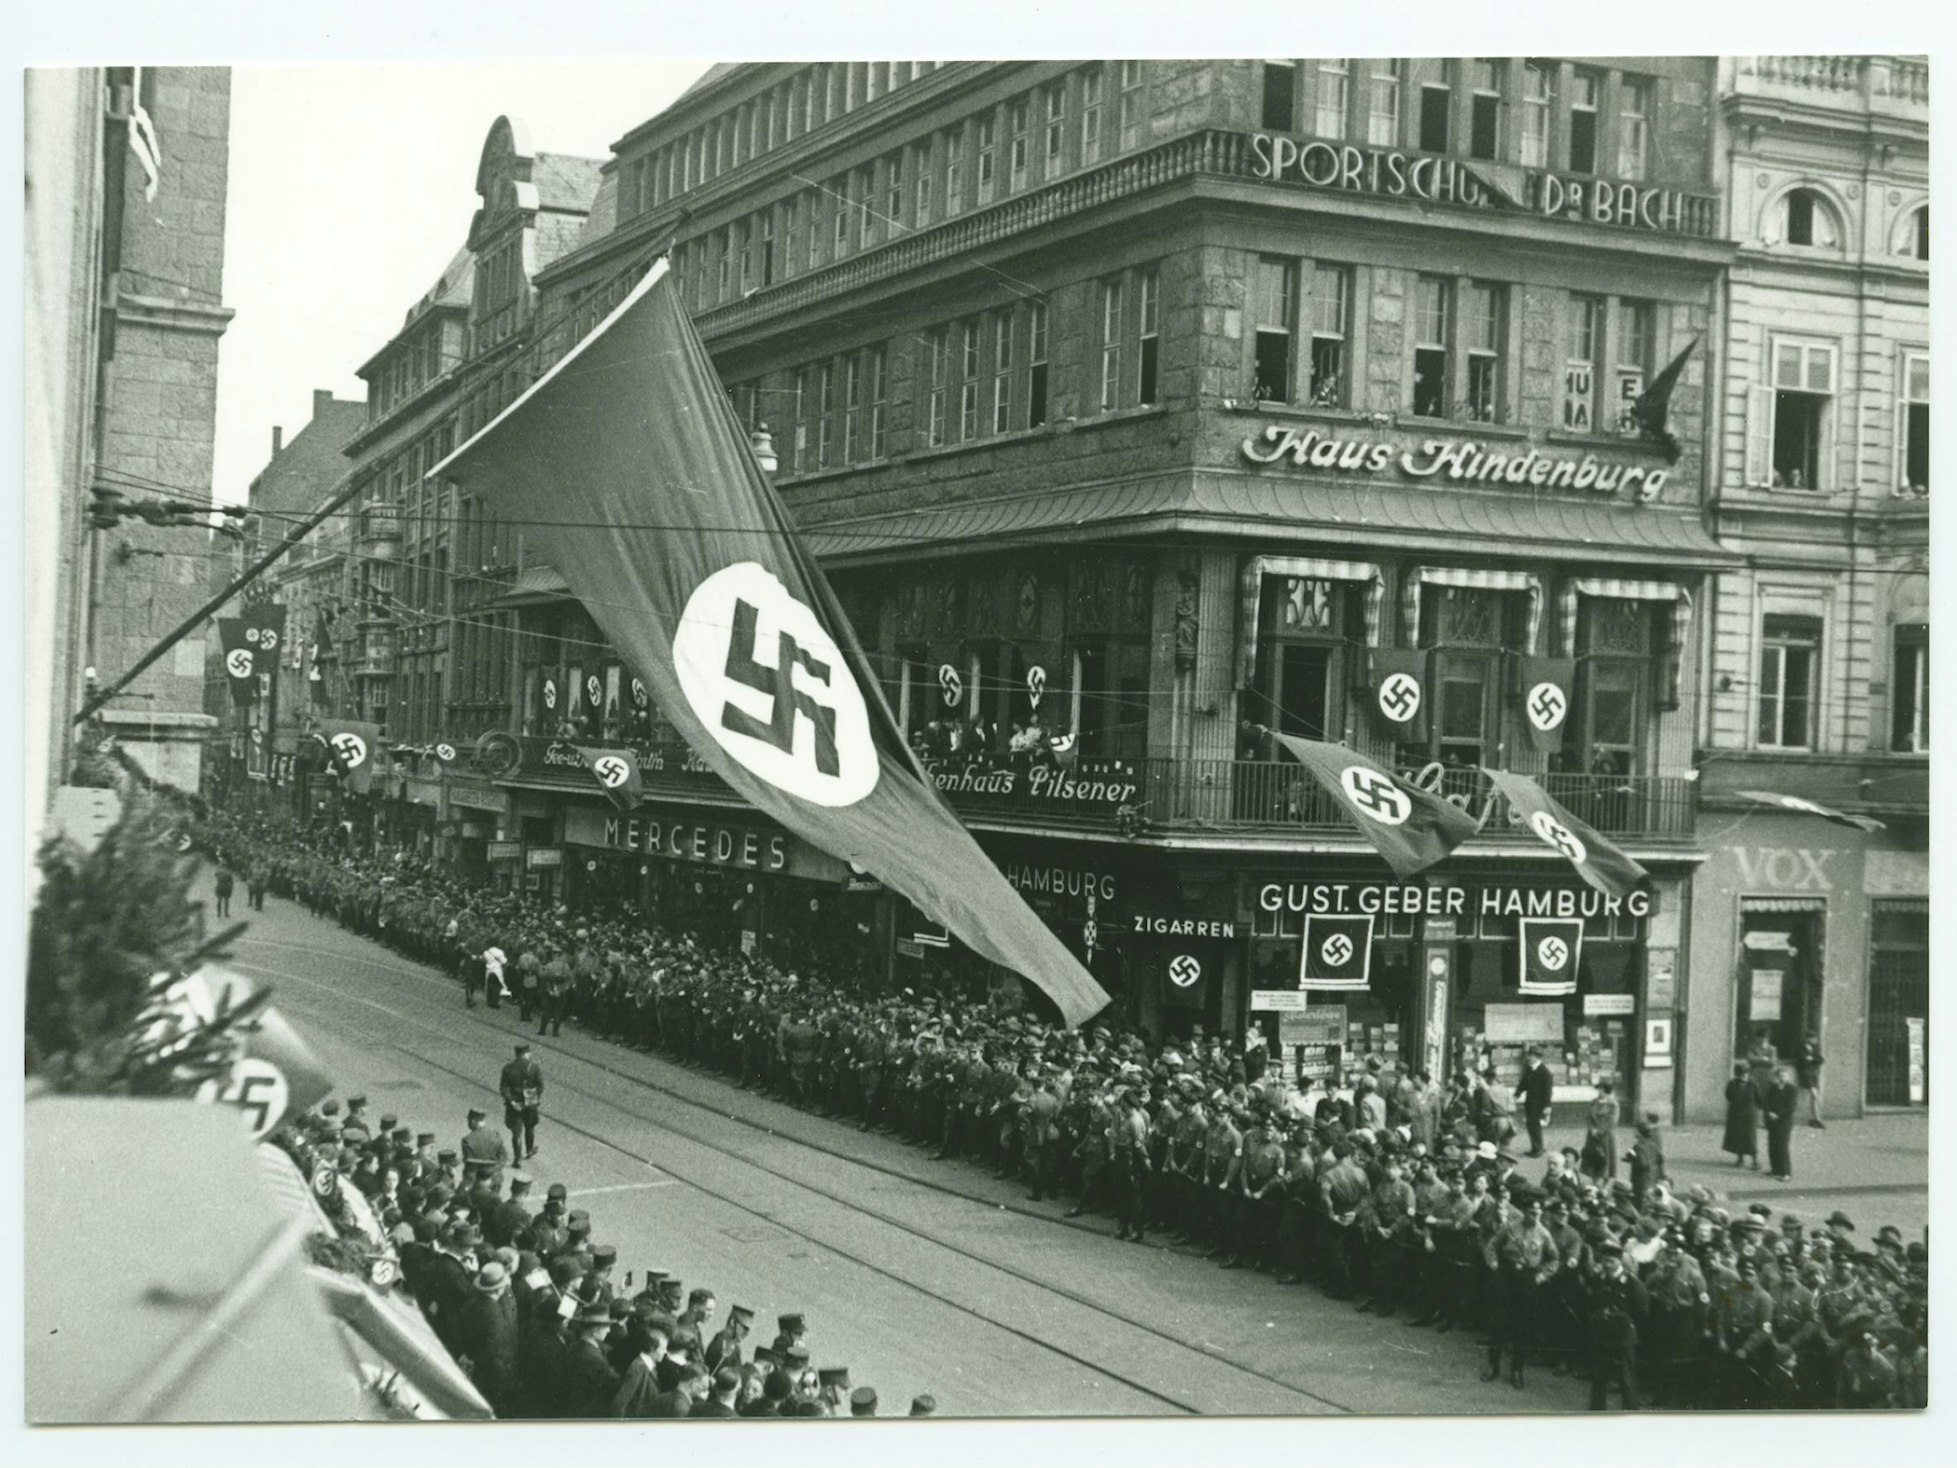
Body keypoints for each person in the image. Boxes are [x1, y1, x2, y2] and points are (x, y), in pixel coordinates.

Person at [500, 1042, 544, 1162]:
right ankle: (529, 1150)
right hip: (530, 1104)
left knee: (516, 1132)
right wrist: (532, 1100)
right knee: (529, 1128)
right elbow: (540, 1086)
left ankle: (517, 1158)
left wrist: (512, 1102)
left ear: (516, 1054)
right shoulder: (534, 1067)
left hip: (514, 1104)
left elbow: (504, 1088)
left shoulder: (508, 1068)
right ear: (527, 1053)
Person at [1762, 1066, 1799, 1182]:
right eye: (1780, 1076)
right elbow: (1767, 1102)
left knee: (1782, 1146)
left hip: (1784, 1121)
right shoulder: (1773, 1088)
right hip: (1772, 1121)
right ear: (1776, 1077)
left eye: (1784, 1076)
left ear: (1788, 1077)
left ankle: (1786, 1173)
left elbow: (1791, 1106)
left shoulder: (1791, 1089)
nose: (1782, 1078)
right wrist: (1769, 1113)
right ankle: (1775, 1169)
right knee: (1772, 1145)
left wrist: (1777, 1114)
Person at [1516, 1047, 1554, 1159]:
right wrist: (1517, 1093)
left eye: (1530, 1055)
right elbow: (1524, 1083)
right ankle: (1535, 1148)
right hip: (1530, 1103)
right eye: (1529, 1055)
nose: (1528, 1057)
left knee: (1535, 1126)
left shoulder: (1545, 1072)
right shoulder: (1529, 1069)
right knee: (1530, 1125)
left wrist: (1547, 1106)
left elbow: (1548, 1091)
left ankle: (1539, 1148)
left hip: (1539, 1105)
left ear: (1536, 1057)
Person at [1722, 1062, 1761, 1171]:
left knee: (1750, 1137)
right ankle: (1740, 1158)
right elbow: (1728, 1096)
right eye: (1741, 1074)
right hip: (1736, 1113)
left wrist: (1753, 1108)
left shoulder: (1753, 1084)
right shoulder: (1732, 1083)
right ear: (1737, 1074)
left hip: (1749, 1114)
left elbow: (1759, 1099)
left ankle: (1755, 1160)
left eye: (1746, 1073)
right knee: (1738, 1136)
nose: (1744, 1076)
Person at [1581, 1077, 1619, 1182]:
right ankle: (1593, 1180)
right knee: (1592, 1159)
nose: (1598, 1091)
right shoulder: (1593, 1102)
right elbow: (1588, 1117)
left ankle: (1605, 1182)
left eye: (1600, 1089)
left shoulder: (1613, 1105)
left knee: (1605, 1161)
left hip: (1605, 1137)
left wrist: (1599, 1131)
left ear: (1606, 1090)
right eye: (1598, 1089)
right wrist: (1592, 1129)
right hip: (1592, 1137)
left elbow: (1612, 1122)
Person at [1797, 1034, 1826, 1128]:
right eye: (1812, 1038)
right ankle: (1817, 1119)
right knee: (1814, 1095)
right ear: (1807, 1039)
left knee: (1814, 1097)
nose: (1814, 1040)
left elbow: (1821, 1060)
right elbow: (1802, 1060)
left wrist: (1811, 1058)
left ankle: (1814, 1118)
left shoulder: (1814, 1048)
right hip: (1805, 1074)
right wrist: (1812, 1059)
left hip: (1813, 1075)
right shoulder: (1800, 1048)